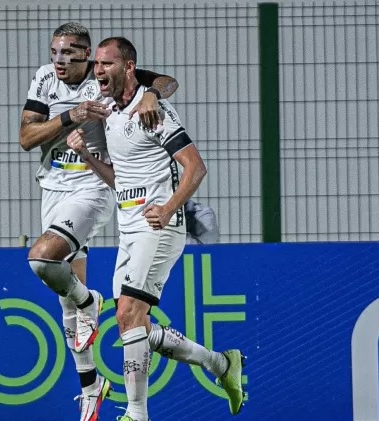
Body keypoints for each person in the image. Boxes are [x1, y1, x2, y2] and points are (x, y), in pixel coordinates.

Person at [66, 36, 245, 421]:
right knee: (136, 324)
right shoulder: (110, 114)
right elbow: (120, 180)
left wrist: (168, 209)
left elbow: (196, 167)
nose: (98, 71)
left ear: (128, 68)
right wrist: (85, 156)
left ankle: (136, 413)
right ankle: (220, 364)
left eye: (106, 64)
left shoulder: (155, 111)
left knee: (129, 311)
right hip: (128, 228)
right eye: (96, 64)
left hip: (160, 226)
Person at [18, 22, 179, 421]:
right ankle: (91, 386)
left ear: (86, 55)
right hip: (53, 187)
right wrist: (70, 117)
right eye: (54, 52)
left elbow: (164, 80)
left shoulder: (101, 75)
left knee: (43, 260)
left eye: (69, 53)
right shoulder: (43, 79)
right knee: (65, 298)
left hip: (92, 188)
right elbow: (26, 137)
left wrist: (152, 95)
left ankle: (90, 302)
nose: (59, 60)